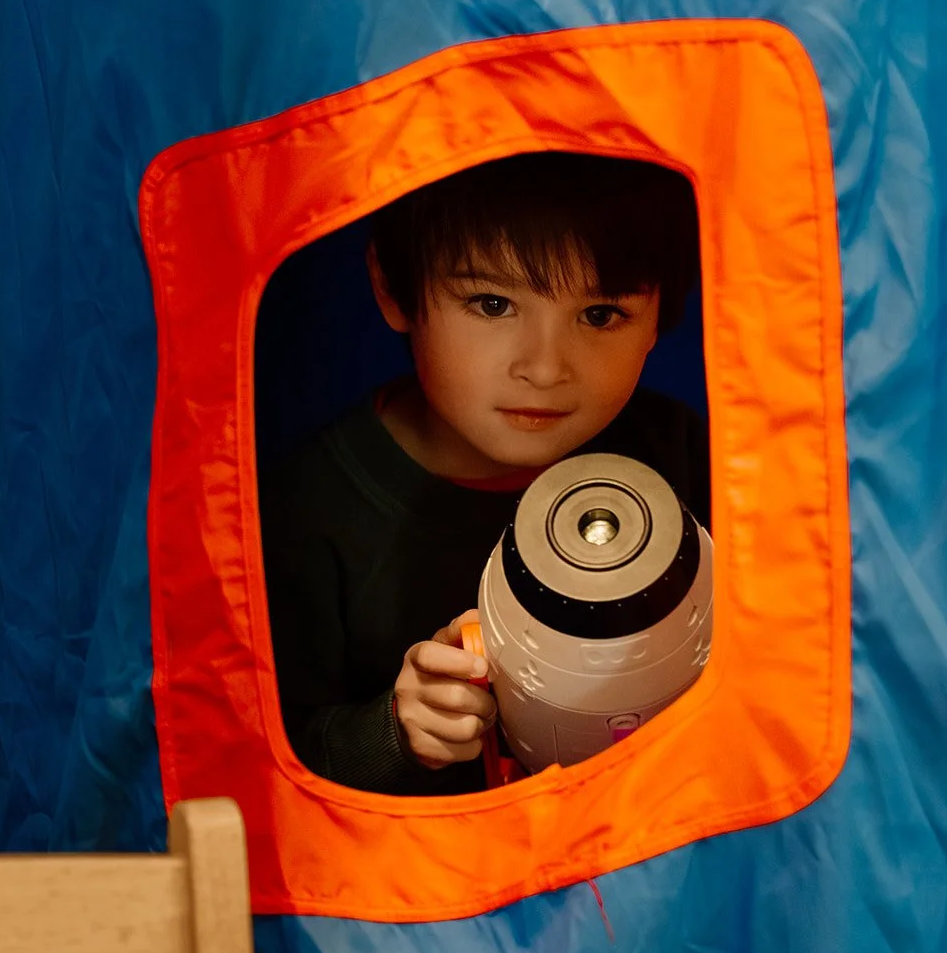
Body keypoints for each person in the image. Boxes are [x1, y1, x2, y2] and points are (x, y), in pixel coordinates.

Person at [258, 151, 708, 796]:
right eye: (493, 304)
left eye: (601, 315)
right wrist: (395, 730)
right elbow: (262, 773)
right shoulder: (305, 512)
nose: (546, 368)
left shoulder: (682, 452)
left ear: (660, 317)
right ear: (393, 289)